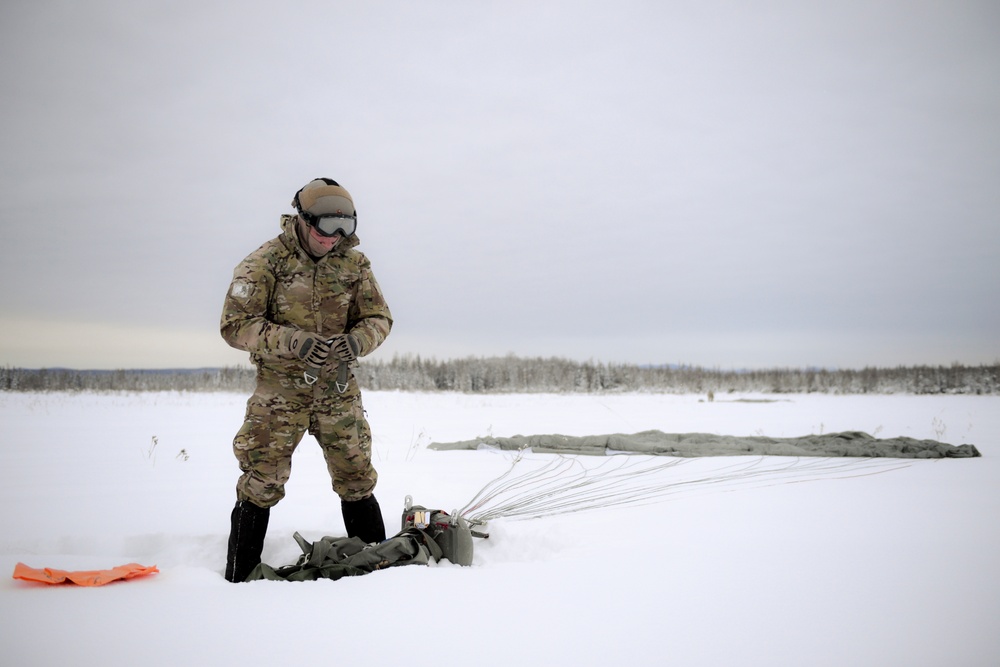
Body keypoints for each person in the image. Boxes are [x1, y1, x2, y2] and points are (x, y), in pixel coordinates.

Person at [220, 177, 393, 582]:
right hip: (280, 394)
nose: (334, 239)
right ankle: (237, 581)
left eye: (345, 229)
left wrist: (358, 340)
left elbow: (379, 318)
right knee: (261, 479)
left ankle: (381, 576)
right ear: (302, 219)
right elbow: (234, 325)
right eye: (325, 229)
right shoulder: (265, 262)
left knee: (357, 477)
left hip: (337, 390)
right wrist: (292, 341)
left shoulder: (354, 264)